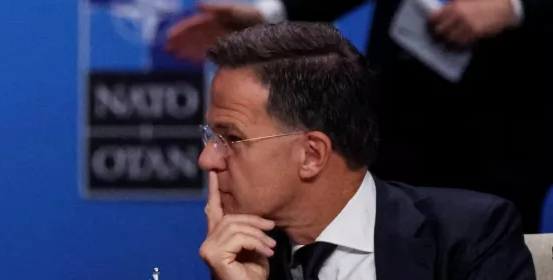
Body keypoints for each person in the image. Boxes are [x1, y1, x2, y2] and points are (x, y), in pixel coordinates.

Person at [197, 22, 552, 280]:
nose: (208, 160)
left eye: (231, 138)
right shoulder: (249, 262)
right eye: (210, 136)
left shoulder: (468, 235)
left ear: (312, 154)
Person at [167, 0, 553, 233]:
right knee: (387, 255)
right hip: (397, 110)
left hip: (510, 117)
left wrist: (515, 6)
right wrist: (275, 12)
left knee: (494, 275)